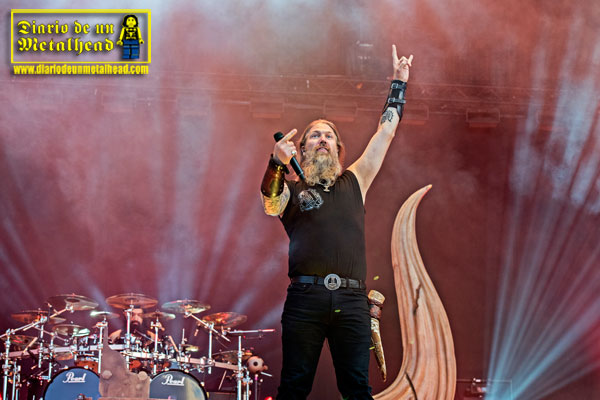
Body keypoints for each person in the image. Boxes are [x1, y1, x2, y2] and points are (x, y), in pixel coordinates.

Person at [260, 45, 413, 399]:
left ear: (338, 148)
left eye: (328, 135)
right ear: (303, 148)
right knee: (293, 388)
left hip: (352, 298)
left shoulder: (355, 180)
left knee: (357, 389)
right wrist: (276, 162)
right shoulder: (292, 191)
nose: (322, 139)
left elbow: (385, 134)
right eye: (315, 135)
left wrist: (399, 83)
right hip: (305, 298)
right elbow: (269, 203)